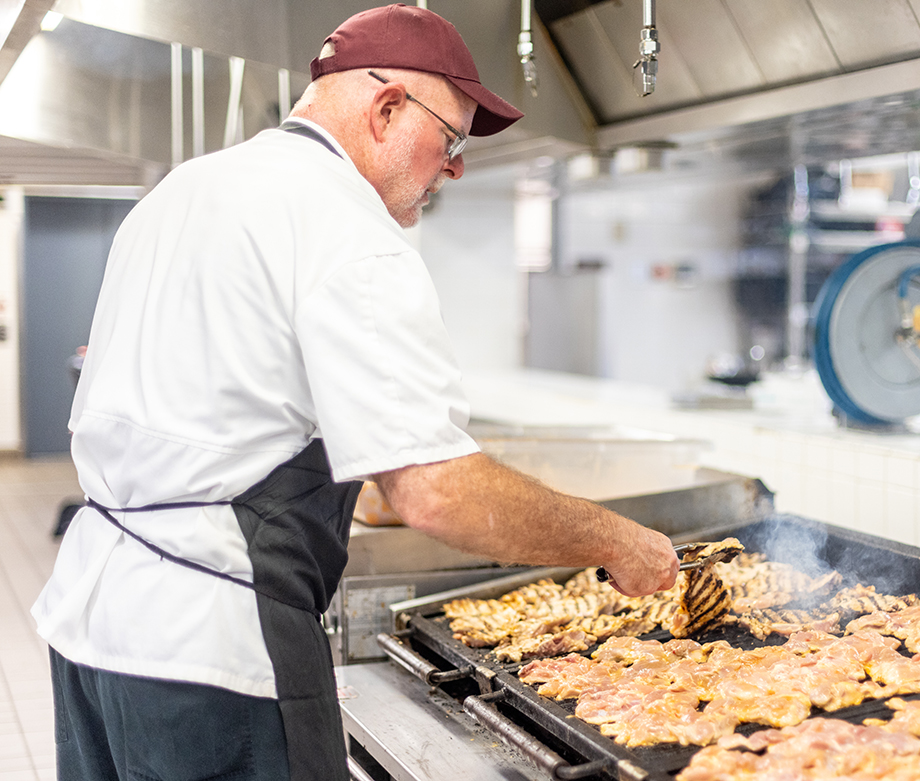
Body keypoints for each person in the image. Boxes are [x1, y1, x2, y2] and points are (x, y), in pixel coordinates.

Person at [31, 6, 679, 781]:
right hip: (211, 650)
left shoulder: (181, 192)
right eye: (453, 139)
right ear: (386, 108)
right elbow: (436, 493)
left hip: (88, 627)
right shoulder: (350, 229)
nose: (455, 167)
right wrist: (619, 540)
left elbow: (223, 407)